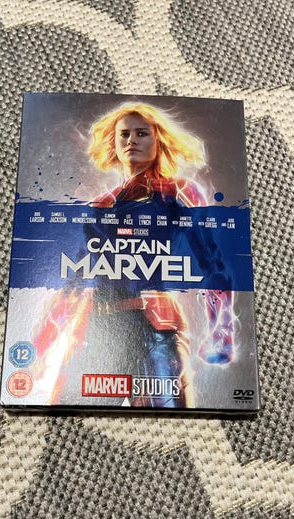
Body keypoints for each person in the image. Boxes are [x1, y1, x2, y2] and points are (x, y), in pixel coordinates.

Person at [33, 103, 234, 408]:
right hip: (99, 330)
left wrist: (221, 330)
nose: (131, 140)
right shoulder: (101, 205)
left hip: (156, 332)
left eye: (141, 133)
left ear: (158, 139)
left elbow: (214, 266)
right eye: (124, 134)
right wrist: (39, 346)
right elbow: (76, 280)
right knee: (67, 418)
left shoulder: (177, 193)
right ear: (114, 142)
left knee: (169, 423)